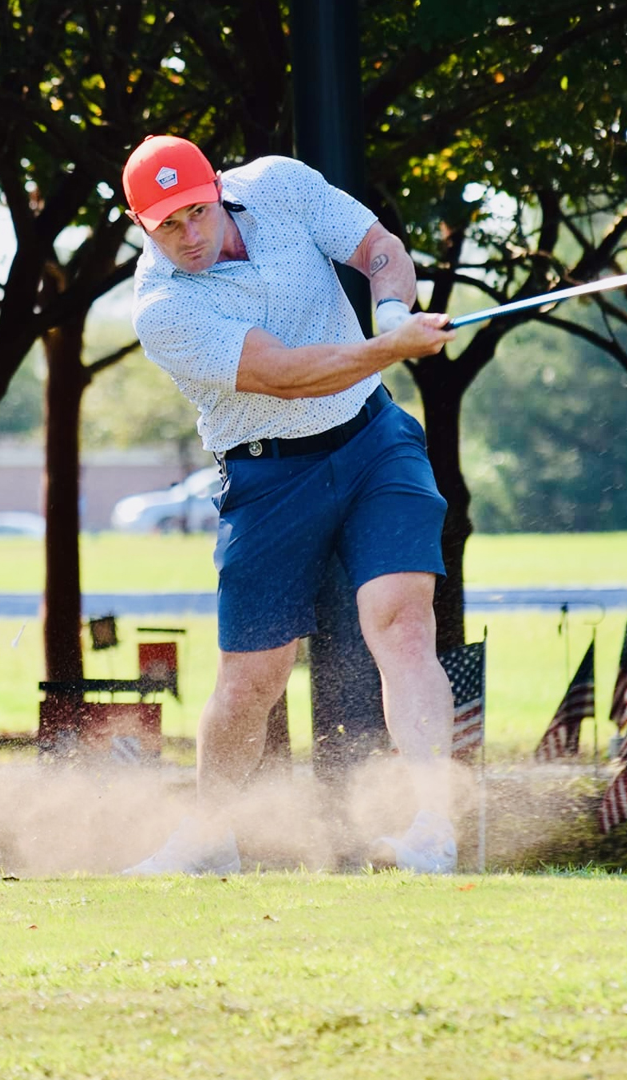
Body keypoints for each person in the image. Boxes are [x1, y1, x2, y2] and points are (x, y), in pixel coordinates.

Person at [119, 135, 459, 875]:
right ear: (142, 225)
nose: (189, 236)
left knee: (402, 627)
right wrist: (393, 346)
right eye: (167, 225)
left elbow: (378, 248)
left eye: (197, 214)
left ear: (220, 192)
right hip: (268, 476)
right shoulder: (162, 308)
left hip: (374, 442)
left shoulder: (279, 185)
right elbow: (286, 376)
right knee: (253, 680)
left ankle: (435, 829)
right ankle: (211, 838)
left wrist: (393, 308)